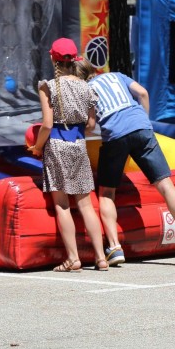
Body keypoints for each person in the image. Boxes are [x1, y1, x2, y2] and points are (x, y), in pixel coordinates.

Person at [80, 63, 175, 265]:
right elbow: (142, 93)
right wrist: (143, 120)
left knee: (107, 192)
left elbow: (90, 126)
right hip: (141, 128)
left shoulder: (86, 90)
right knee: (165, 184)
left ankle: (115, 247)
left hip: (115, 136)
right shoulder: (116, 75)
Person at [29, 38, 107, 272]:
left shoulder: (48, 86)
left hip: (56, 144)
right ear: (75, 59)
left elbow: (46, 124)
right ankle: (101, 257)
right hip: (79, 144)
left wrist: (37, 147)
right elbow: (91, 125)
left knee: (62, 205)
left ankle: (73, 258)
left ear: (53, 58)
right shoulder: (87, 87)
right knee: (86, 205)